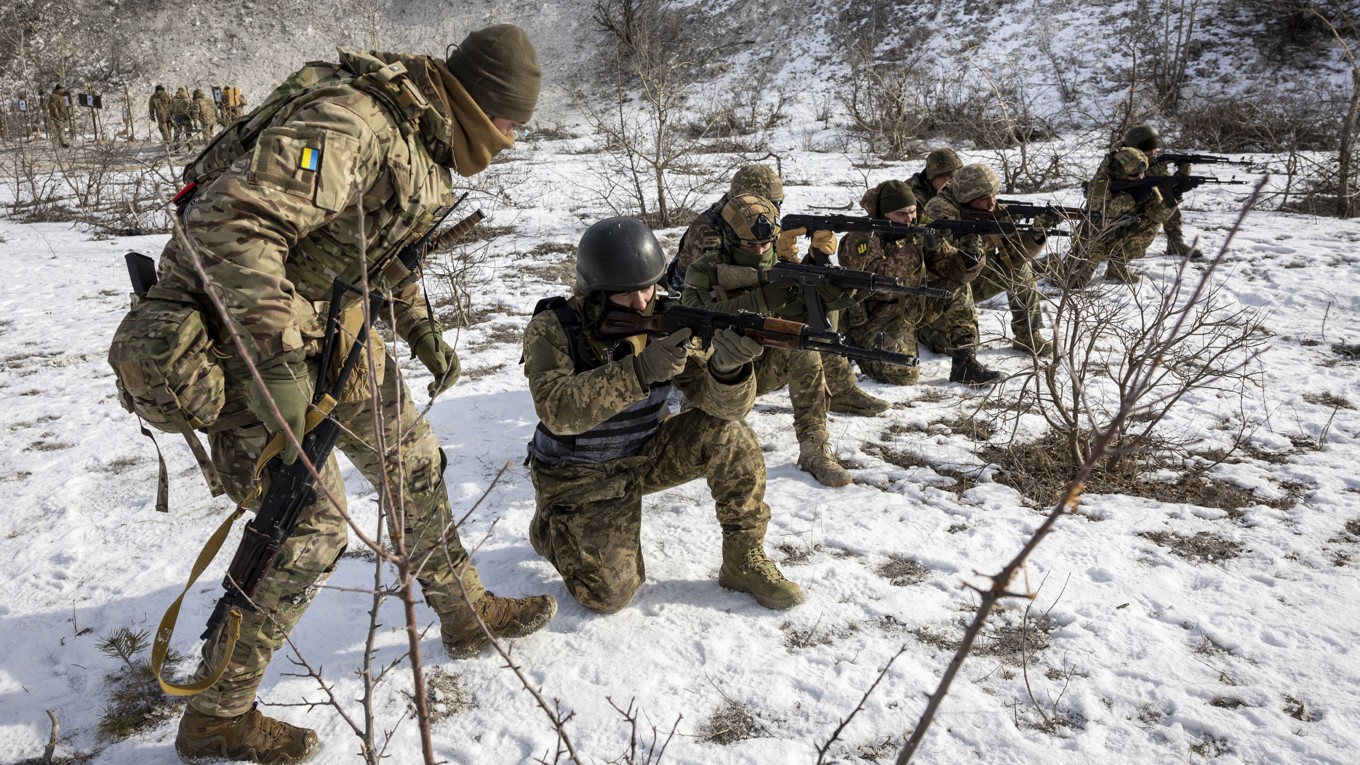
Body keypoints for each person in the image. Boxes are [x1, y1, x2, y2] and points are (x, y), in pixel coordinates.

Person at [152, 24, 555, 764]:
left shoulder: (424, 138)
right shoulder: (351, 124)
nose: (511, 141)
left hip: (325, 331)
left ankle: (463, 610)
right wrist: (278, 368)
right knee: (308, 529)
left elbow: (376, 251)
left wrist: (424, 333)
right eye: (510, 124)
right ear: (477, 103)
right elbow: (230, 228)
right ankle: (217, 712)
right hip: (241, 335)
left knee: (414, 459)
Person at [523, 217, 804, 614]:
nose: (641, 302)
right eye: (626, 294)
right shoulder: (553, 328)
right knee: (610, 596)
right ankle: (551, 527)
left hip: (644, 453)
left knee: (731, 433)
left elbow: (720, 406)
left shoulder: (667, 320)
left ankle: (743, 558)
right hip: (577, 474)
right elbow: (557, 411)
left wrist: (729, 372)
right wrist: (640, 371)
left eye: (648, 287)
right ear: (595, 292)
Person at [669, 164, 888, 417]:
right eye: (769, 202)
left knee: (812, 309)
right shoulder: (711, 231)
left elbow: (773, 272)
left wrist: (810, 264)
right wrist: (771, 290)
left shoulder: (758, 222)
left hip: (748, 303)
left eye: (776, 203)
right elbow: (719, 285)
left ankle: (841, 388)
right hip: (703, 309)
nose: (774, 210)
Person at [681, 194, 862, 487]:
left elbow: (816, 313)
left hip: (762, 365)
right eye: (750, 245)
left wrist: (824, 272)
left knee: (805, 348)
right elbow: (693, 317)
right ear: (728, 238)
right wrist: (760, 298)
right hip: (715, 373)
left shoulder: (782, 263)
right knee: (699, 443)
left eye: (765, 244)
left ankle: (814, 447)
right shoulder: (704, 269)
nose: (760, 250)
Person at [839, 180, 1000, 385]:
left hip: (910, 307)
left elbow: (954, 271)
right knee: (905, 374)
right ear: (884, 214)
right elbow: (878, 283)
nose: (909, 219)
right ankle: (861, 352)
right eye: (901, 214)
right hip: (874, 320)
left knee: (957, 287)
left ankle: (965, 363)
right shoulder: (861, 236)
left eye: (912, 211)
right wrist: (915, 248)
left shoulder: (919, 227)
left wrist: (970, 254)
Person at [923, 163, 1053, 356]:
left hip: (973, 281)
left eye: (993, 195)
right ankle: (922, 329)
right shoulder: (939, 211)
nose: (992, 203)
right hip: (939, 292)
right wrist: (976, 236)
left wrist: (1036, 235)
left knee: (1019, 267)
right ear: (967, 198)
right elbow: (945, 264)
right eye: (984, 199)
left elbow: (1015, 254)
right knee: (958, 345)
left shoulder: (988, 209)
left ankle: (1028, 334)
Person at [1060, 146, 1177, 287]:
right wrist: (1132, 197)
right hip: (1095, 238)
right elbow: (1103, 213)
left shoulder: (1144, 182)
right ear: (1119, 172)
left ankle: (1117, 267)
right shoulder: (1101, 181)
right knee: (1072, 283)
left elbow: (1157, 215)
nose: (1140, 177)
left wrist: (1174, 196)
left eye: (1142, 173)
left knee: (1150, 223)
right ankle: (1044, 263)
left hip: (1120, 233)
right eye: (1134, 175)